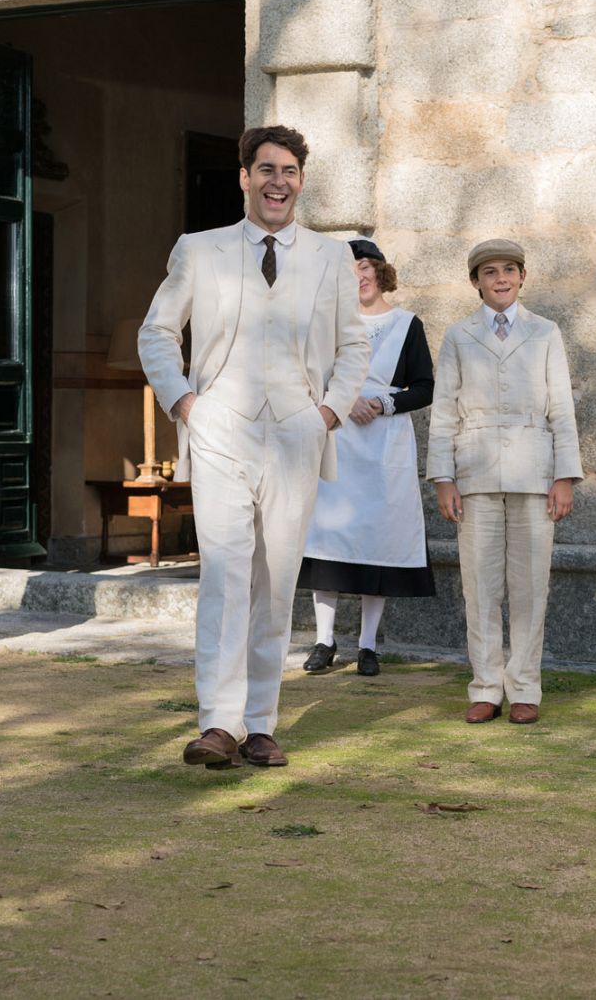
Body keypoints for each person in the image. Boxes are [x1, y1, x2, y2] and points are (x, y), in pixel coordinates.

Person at [139, 124, 370, 769]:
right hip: (220, 430)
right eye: (265, 169)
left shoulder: (329, 257)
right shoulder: (201, 249)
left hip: (297, 430)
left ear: (301, 180)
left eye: (289, 170)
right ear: (244, 177)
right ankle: (218, 722)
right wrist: (185, 403)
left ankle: (261, 724)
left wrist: (325, 412)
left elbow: (355, 344)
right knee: (225, 573)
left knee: (276, 581)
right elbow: (157, 333)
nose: (277, 181)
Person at [426, 238, 582, 725]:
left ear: (522, 276)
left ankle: (525, 688)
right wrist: (443, 479)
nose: (500, 279)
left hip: (535, 473)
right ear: (475, 282)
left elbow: (562, 408)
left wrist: (564, 477)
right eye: (489, 271)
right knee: (480, 584)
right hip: (474, 474)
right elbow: (444, 412)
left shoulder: (545, 332)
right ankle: (486, 686)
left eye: (509, 270)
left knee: (531, 584)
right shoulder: (458, 335)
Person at [298, 239, 436, 677]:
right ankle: (324, 640)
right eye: (348, 269)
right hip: (338, 438)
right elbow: (306, 377)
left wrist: (383, 404)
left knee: (379, 539)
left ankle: (367, 645)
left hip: (384, 444)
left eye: (363, 266)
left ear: (379, 270)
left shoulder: (406, 324)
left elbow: (424, 385)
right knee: (329, 538)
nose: (358, 276)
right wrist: (346, 398)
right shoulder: (327, 324)